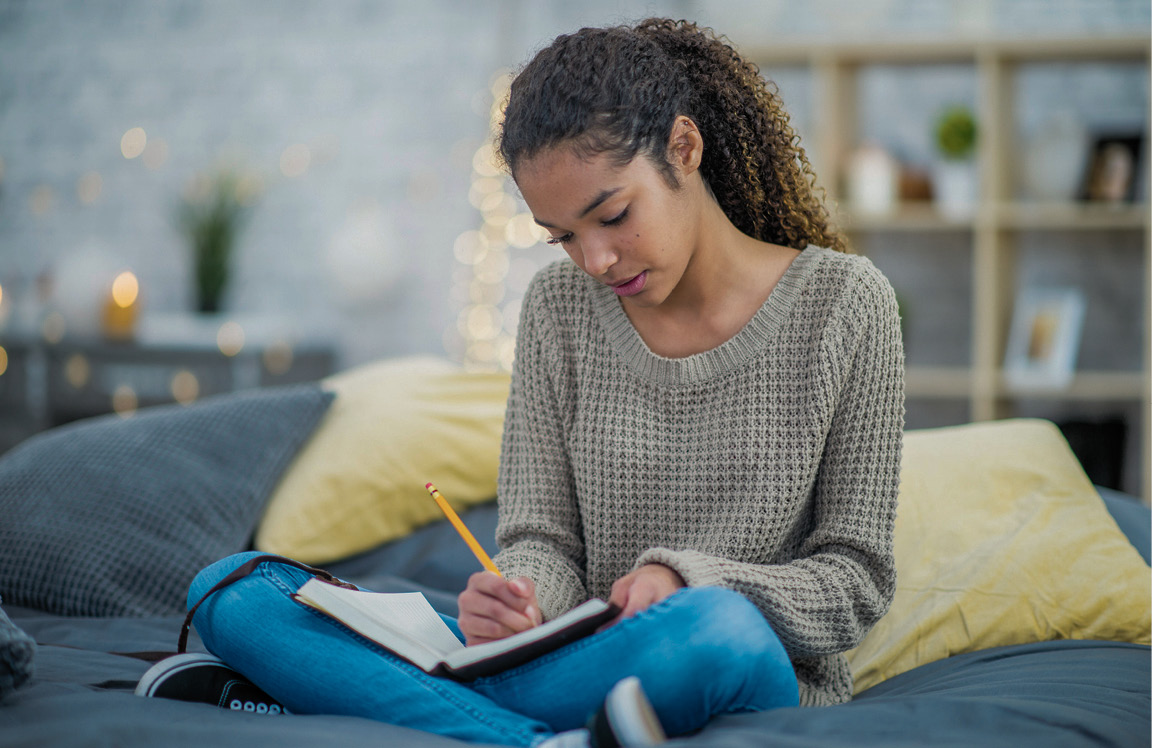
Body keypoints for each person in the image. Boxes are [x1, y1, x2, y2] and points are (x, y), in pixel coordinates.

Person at [136, 17, 904, 748]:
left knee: (716, 629)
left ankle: (361, 696)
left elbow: (856, 581)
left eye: (613, 214)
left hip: (714, 659)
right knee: (235, 589)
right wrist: (522, 601)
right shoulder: (557, 309)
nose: (595, 261)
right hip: (566, 664)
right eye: (563, 236)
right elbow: (540, 539)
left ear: (684, 147)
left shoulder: (847, 305)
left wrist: (686, 578)